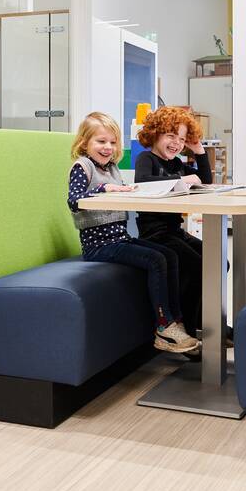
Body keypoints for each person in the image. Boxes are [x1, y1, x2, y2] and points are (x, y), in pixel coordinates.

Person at [67, 111, 200, 354]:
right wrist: (104, 189)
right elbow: (74, 200)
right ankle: (163, 325)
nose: (108, 147)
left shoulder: (112, 168)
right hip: (99, 245)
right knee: (157, 259)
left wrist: (127, 190)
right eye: (101, 141)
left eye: (112, 142)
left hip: (120, 238)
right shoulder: (82, 166)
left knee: (169, 255)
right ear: (84, 143)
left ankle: (176, 322)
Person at [133, 106, 213, 338]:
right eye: (170, 136)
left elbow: (206, 180)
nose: (176, 143)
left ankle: (199, 318)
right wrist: (183, 179)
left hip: (174, 232)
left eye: (181, 139)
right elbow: (144, 181)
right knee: (198, 266)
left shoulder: (176, 162)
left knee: (219, 263)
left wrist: (198, 150)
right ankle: (186, 327)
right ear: (155, 134)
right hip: (155, 234)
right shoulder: (146, 158)